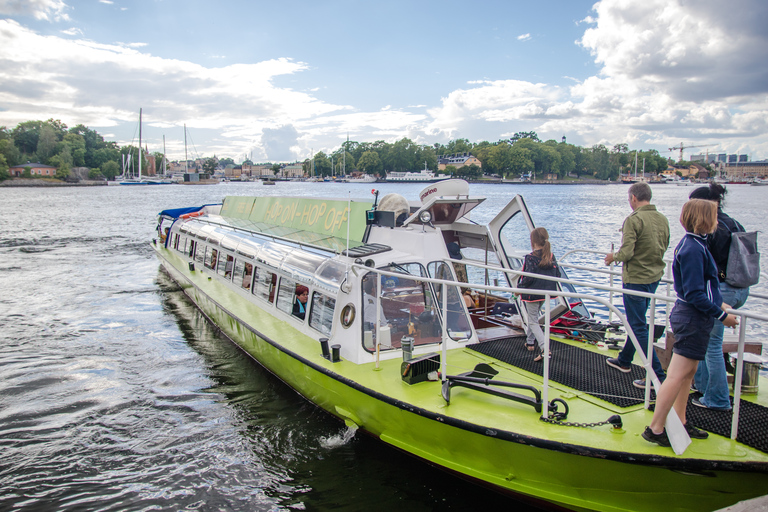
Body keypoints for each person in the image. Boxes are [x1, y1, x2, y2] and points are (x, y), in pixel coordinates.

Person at [643, 199, 738, 447]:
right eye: (714, 215)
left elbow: (698, 288)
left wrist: (719, 302)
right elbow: (695, 293)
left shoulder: (695, 244)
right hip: (692, 317)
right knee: (676, 375)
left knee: (688, 373)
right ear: (705, 219)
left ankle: (680, 419)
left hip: (695, 316)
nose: (717, 220)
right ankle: (655, 427)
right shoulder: (694, 249)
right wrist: (721, 315)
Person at [689, 184, 750, 411]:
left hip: (721, 290)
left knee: (711, 345)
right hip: (739, 287)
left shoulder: (712, 230)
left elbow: (705, 266)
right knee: (707, 342)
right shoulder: (734, 223)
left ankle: (717, 399)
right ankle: (704, 387)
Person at [604, 182, 670, 388]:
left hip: (636, 279)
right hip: (654, 277)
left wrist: (612, 257)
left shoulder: (634, 220)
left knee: (638, 326)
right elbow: (664, 245)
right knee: (637, 321)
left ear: (633, 198)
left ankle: (657, 375)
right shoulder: (662, 219)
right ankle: (625, 360)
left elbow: (627, 252)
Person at [518, 228, 561, 362]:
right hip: (545, 293)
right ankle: (530, 342)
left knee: (532, 320)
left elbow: (528, 278)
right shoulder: (550, 256)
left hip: (532, 294)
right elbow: (558, 275)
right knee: (534, 317)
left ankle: (544, 348)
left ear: (532, 242)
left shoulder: (530, 258)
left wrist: (518, 288)